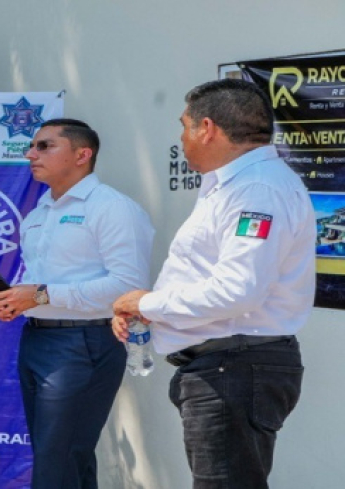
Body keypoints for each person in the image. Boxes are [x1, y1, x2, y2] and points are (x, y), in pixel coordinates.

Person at [112, 79, 315, 488]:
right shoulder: (239, 185)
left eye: (183, 126)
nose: (181, 138)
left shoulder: (256, 189)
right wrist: (156, 312)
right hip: (228, 365)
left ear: (206, 128)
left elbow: (238, 291)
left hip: (233, 367)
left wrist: (147, 304)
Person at [0, 118, 154, 488]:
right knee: (63, 460)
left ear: (82, 155)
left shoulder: (112, 208)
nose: (31, 154)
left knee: (57, 462)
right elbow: (46, 282)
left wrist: (40, 295)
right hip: (37, 338)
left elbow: (128, 288)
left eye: (45, 146)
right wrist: (18, 301)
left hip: (85, 342)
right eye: (32, 146)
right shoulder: (39, 212)